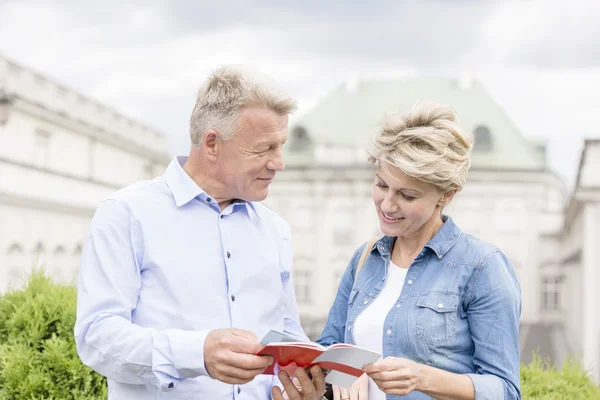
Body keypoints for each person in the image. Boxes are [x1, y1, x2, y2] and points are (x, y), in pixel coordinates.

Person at [74, 65, 326, 400]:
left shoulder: (275, 229)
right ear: (211, 144)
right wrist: (197, 353)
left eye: (280, 146)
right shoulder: (127, 214)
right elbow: (96, 337)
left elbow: (287, 336)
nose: (279, 162)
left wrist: (302, 383)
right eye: (265, 149)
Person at [318, 102, 521, 400]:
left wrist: (423, 377)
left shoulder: (482, 267)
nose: (387, 205)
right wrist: (345, 371)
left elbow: (505, 390)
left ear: (447, 194)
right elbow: (328, 347)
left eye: (407, 195)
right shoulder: (364, 259)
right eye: (381, 185)